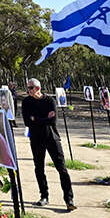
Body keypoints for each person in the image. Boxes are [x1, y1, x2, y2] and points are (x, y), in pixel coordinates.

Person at [21, 78, 76, 211]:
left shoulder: (49, 101)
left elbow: (53, 121)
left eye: (30, 88)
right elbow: (27, 122)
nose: (28, 90)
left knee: (62, 168)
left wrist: (36, 119)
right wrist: (44, 118)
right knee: (39, 168)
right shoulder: (26, 102)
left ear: (38, 88)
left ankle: (69, 199)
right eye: (27, 88)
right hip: (36, 139)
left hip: (52, 138)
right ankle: (44, 196)